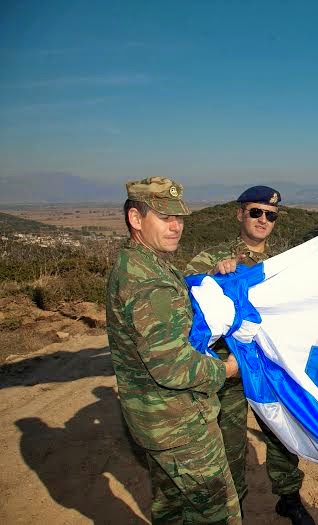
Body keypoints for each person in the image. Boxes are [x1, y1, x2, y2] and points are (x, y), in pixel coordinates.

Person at [106, 177, 242, 524]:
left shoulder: (139, 263)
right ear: (135, 219)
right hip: (180, 426)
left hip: (156, 422)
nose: (175, 226)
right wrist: (225, 370)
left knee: (171, 510)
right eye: (164, 217)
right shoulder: (148, 281)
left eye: (179, 218)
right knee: (219, 514)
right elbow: (173, 367)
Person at [186, 186, 315, 525]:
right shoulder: (212, 258)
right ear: (239, 214)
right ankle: (236, 508)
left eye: (270, 215)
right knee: (230, 445)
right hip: (228, 367)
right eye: (256, 212)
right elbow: (187, 291)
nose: (263, 219)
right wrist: (215, 276)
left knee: (281, 436)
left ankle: (288, 497)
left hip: (270, 368)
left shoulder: (282, 265)